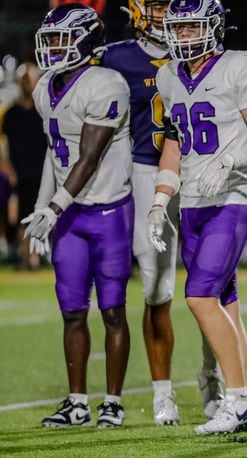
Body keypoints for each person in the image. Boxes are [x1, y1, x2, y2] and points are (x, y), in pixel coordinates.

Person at [149, 0, 247, 435]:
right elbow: (173, 143)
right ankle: (241, 399)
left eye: (193, 28)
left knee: (199, 295)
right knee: (226, 304)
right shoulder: (168, 76)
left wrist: (231, 162)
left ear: (214, 27)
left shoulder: (240, 66)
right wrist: (159, 198)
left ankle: (238, 398)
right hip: (192, 205)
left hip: (234, 199)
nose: (184, 36)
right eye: (179, 29)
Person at [101, 0, 222, 425]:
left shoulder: (200, 50)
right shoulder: (114, 58)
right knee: (156, 287)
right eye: (155, 4)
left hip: (202, 170)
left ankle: (213, 376)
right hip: (146, 171)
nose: (164, 12)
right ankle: (162, 392)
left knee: (213, 283)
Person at [26, 4, 133, 428]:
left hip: (108, 211)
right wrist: (41, 207)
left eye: (60, 38)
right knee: (72, 311)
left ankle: (113, 401)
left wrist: (53, 208)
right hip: (69, 218)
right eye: (49, 39)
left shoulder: (107, 83)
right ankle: (76, 402)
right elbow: (56, 157)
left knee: (112, 311)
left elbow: (88, 158)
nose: (52, 48)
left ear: (86, 39)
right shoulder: (44, 87)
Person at [3, 63, 47, 270]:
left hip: (43, 171)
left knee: (44, 213)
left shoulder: (44, 110)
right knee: (22, 216)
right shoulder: (11, 113)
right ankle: (27, 256)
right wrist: (9, 169)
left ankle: (40, 254)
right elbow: (4, 146)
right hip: (20, 174)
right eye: (25, 80)